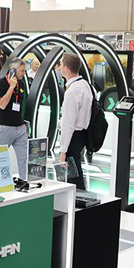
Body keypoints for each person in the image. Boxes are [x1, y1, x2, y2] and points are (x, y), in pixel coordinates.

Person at [58, 53, 92, 190]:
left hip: (73, 137)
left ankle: (77, 199)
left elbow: (68, 123)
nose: (59, 68)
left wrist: (63, 151)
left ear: (66, 68)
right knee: (76, 172)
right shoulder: (85, 85)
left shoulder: (72, 92)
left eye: (61, 65)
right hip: (82, 135)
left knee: (72, 176)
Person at [0, 58, 30, 179]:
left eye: (24, 71)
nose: (24, 73)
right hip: (5, 127)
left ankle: (24, 181)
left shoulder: (22, 84)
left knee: (23, 158)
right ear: (13, 70)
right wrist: (11, 88)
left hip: (20, 127)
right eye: (22, 71)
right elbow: (2, 105)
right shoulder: (1, 83)